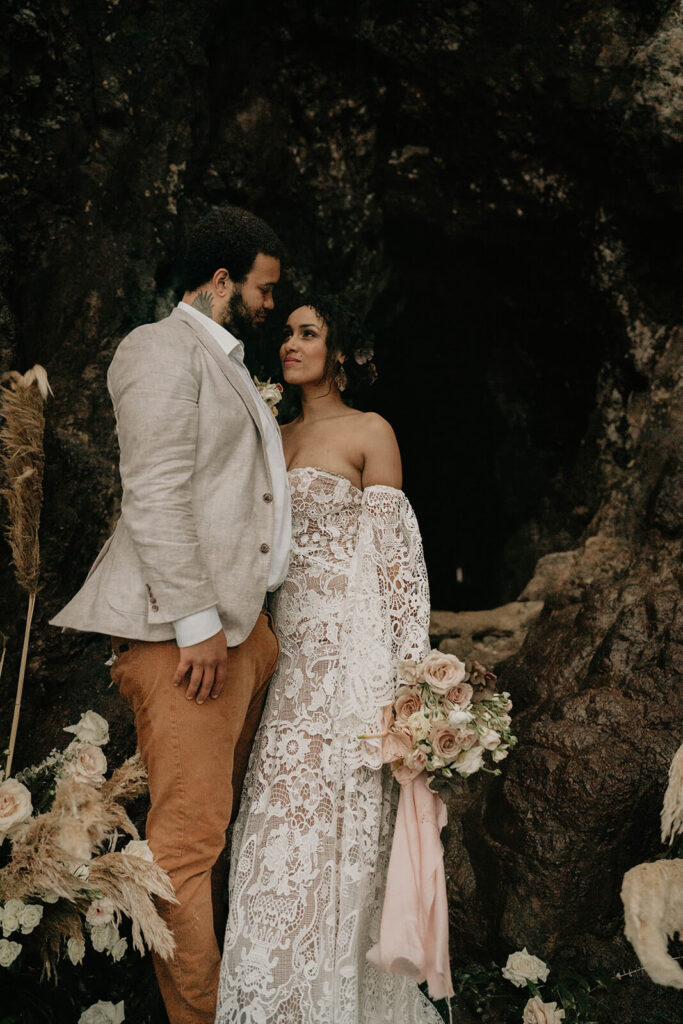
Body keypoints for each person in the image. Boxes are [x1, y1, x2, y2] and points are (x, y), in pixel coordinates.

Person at [51, 206, 292, 1024]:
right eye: (263, 289)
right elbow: (153, 493)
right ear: (220, 281)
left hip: (243, 637)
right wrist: (199, 624)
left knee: (223, 840)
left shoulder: (223, 362)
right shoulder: (157, 349)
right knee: (186, 852)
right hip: (187, 642)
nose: (270, 305)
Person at [216, 297, 443, 1023]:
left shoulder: (369, 432)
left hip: (350, 662)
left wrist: (409, 689)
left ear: (340, 352)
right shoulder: (268, 434)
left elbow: (398, 574)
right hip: (281, 665)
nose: (290, 343)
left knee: (338, 833)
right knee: (276, 830)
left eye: (307, 333)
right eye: (284, 332)